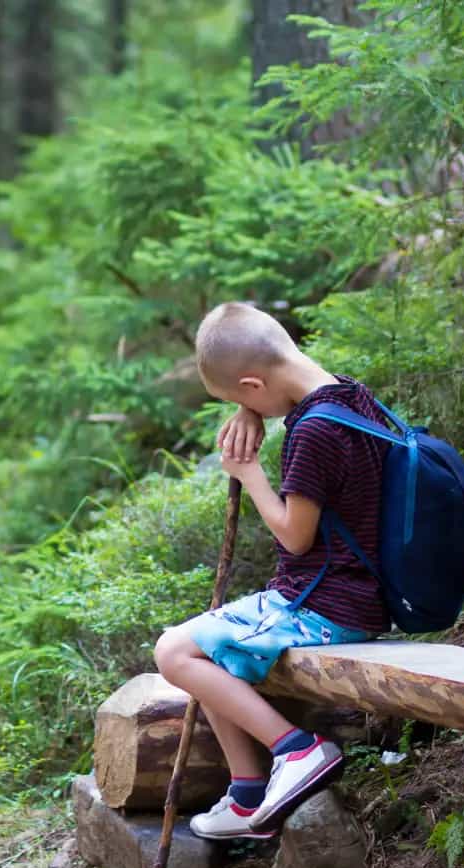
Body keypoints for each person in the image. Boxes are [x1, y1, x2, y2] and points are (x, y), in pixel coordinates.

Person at [153, 301, 389, 840]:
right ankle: (246, 794)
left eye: (240, 397)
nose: (242, 409)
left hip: (325, 606)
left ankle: (296, 750)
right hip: (353, 595)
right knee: (208, 642)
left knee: (174, 650)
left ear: (254, 381)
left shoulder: (312, 435)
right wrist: (253, 408)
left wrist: (248, 472)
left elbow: (294, 533)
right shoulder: (350, 396)